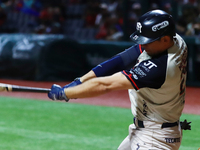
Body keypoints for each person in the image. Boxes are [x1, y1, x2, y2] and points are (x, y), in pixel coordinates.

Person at [48, 9, 190, 150]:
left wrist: (66, 93)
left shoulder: (160, 67)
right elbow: (121, 60)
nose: (143, 45)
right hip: (149, 129)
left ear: (164, 39)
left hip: (155, 138)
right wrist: (79, 82)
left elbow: (105, 85)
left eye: (147, 41)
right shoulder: (176, 40)